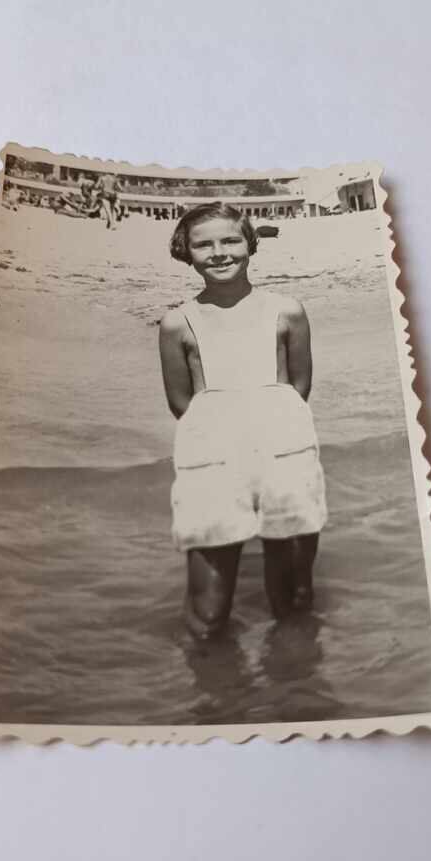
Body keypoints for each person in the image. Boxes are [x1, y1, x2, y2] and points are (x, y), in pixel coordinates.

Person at [159, 202, 327, 639]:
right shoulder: (178, 323)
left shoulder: (287, 311)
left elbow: (298, 389)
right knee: (209, 607)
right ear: (186, 251)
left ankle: (293, 688)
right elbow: (182, 403)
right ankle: (213, 699)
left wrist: (269, 431)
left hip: (284, 450)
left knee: (294, 595)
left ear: (250, 244)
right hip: (211, 456)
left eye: (230, 240)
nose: (219, 252)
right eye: (203, 244)